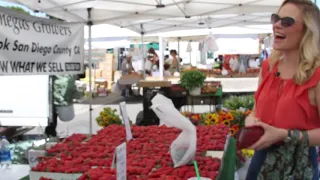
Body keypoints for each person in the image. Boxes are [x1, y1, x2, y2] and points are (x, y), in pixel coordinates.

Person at [245, 0, 320, 179]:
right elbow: (255, 111)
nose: (277, 24)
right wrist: (250, 122)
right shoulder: (268, 68)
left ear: (307, 30)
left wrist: (284, 135)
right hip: (260, 160)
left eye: (287, 21)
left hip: (298, 166)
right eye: (276, 19)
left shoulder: (316, 75)